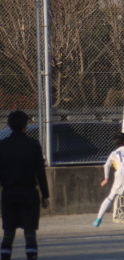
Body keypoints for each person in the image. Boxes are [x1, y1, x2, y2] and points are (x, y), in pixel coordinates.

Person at [0, 111, 49, 260]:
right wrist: (45, 195)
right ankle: (32, 256)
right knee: (29, 230)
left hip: (8, 193)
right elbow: (40, 171)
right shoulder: (33, 145)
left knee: (8, 231)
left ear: (8, 125)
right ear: (26, 125)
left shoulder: (2, 145)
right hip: (29, 193)